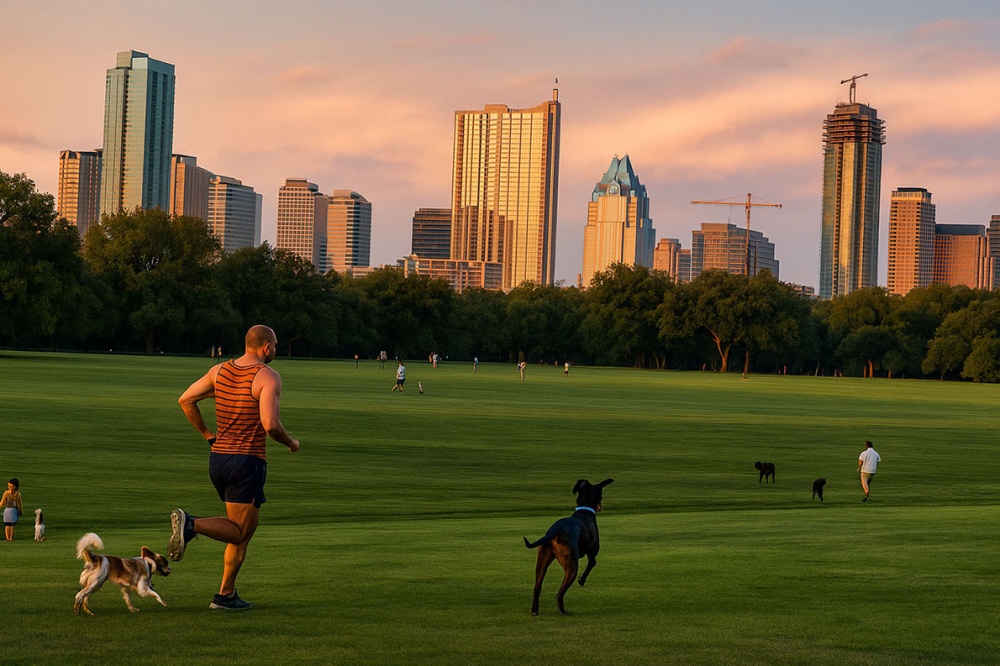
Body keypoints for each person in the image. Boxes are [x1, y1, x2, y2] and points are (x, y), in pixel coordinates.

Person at [173, 324, 300, 611]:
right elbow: (270, 425)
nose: (275, 351)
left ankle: (226, 595)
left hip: (218, 459)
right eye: (275, 346)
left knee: (242, 529)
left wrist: (208, 435)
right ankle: (191, 524)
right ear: (266, 347)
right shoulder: (267, 376)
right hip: (247, 461)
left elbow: (185, 399)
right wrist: (291, 442)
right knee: (240, 531)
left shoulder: (219, 371)